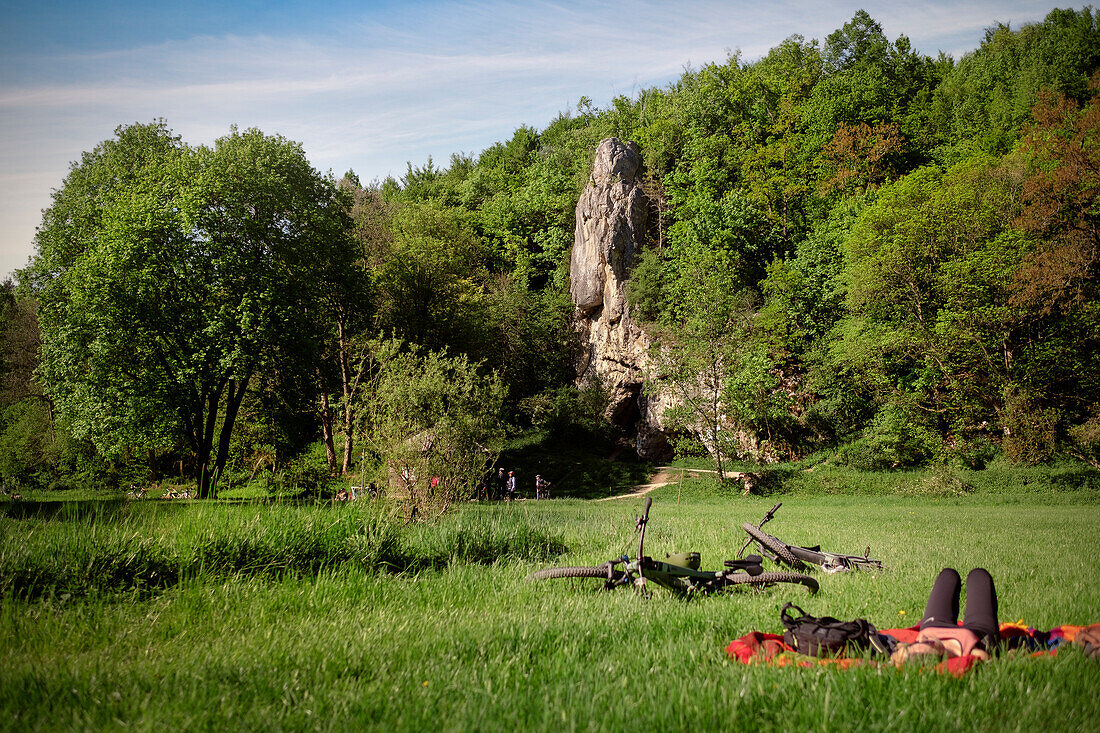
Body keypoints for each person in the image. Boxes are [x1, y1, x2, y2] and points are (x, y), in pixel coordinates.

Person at [893, 567, 1000, 663]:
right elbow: (988, 661)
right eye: (927, 642)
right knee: (979, 576)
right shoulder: (967, 652)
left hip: (935, 625)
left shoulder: (918, 646)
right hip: (977, 631)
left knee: (948, 575)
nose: (923, 638)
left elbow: (896, 651)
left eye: (916, 643)